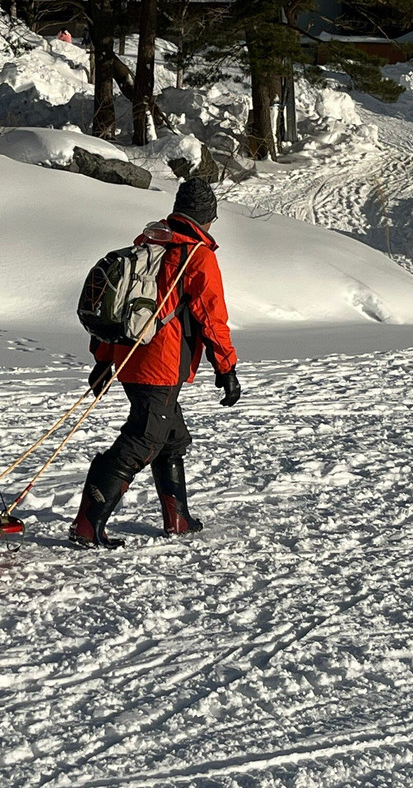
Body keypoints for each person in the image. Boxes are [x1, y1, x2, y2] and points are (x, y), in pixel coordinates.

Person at [69, 178, 241, 548]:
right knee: (143, 439)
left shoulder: (149, 243)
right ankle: (87, 524)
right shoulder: (197, 255)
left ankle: (177, 519)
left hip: (129, 357)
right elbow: (212, 317)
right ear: (206, 218)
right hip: (160, 365)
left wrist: (104, 359)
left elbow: (121, 304)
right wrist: (226, 367)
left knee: (170, 438)